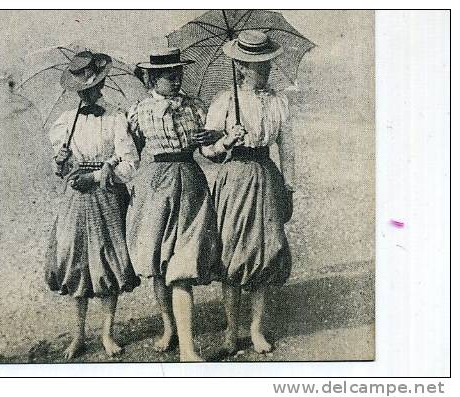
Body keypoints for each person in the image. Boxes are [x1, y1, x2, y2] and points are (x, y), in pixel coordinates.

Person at [201, 31, 296, 355]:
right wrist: (228, 139)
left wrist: (289, 186)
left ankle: (256, 329)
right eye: (257, 65)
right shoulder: (225, 101)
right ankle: (231, 329)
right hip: (235, 177)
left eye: (267, 63)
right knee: (232, 253)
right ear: (240, 66)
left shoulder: (277, 102)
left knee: (265, 252)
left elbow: (287, 149)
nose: (265, 69)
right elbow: (208, 151)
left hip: (266, 176)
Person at [126, 48, 222, 362]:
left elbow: (211, 154)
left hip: (190, 183)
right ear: (153, 77)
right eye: (170, 73)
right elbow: (131, 154)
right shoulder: (138, 111)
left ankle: (188, 349)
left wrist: (219, 141)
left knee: (183, 264)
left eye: (179, 72)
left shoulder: (195, 106)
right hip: (154, 186)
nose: (176, 78)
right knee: (157, 263)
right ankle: (169, 327)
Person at [45, 51, 141, 360]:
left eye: (93, 87)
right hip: (76, 198)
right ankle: (78, 335)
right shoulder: (64, 122)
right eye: (82, 90)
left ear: (101, 86)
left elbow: (130, 164)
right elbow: (60, 170)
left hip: (108, 195)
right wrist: (60, 163)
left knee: (109, 261)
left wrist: (101, 175)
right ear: (75, 90)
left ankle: (107, 334)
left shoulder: (115, 117)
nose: (89, 93)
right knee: (77, 262)